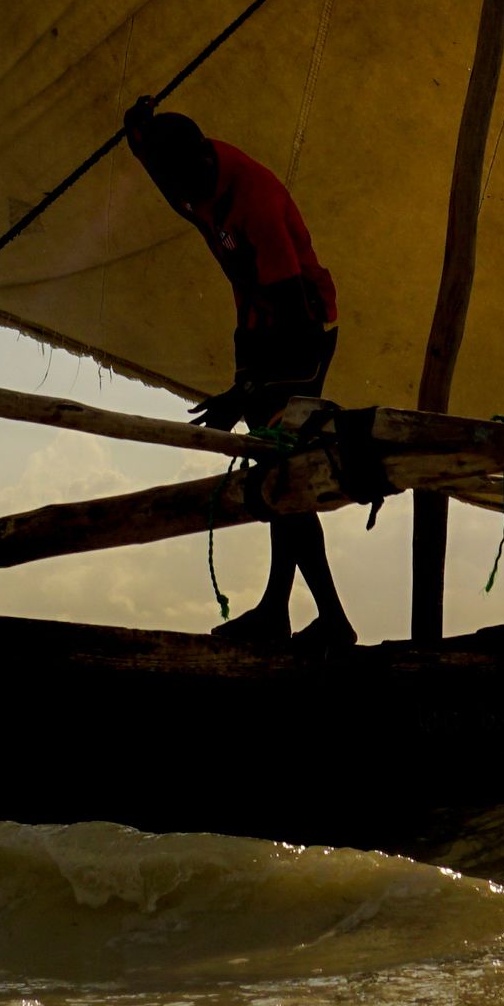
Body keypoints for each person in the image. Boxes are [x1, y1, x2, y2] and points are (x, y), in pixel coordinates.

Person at [124, 99, 354, 651]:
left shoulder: (256, 202)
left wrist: (246, 389)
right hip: (255, 324)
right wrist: (137, 136)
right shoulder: (183, 177)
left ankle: (330, 621)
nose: (190, 200)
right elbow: (161, 174)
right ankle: (280, 612)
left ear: (206, 160)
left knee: (283, 472)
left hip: (302, 326)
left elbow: (297, 332)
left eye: (192, 186)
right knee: (277, 471)